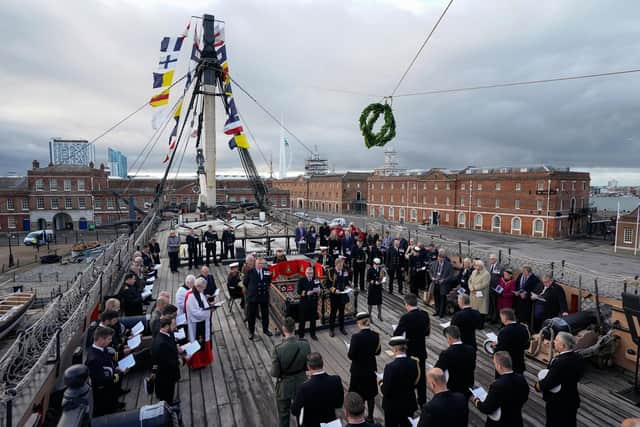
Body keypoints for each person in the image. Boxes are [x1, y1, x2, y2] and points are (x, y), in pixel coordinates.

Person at [535, 332, 584, 427]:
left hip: (558, 403)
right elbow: (579, 375)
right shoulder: (578, 357)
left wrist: (538, 386)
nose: (553, 341)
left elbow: (548, 383)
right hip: (572, 399)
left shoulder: (560, 363)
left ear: (563, 346)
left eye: (556, 340)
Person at [270, 317, 311, 427]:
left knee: (284, 415)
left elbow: (274, 373)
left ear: (283, 329)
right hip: (302, 383)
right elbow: (308, 366)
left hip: (284, 386)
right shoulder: (305, 344)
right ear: (295, 328)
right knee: (302, 413)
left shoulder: (278, 349)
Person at [471, 351, 529, 427]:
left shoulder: (497, 385)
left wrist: (476, 400)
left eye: (495, 364)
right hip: (516, 420)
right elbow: (525, 397)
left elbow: (486, 408)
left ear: (499, 366)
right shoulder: (521, 379)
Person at [393, 293, 430, 407]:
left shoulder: (406, 318)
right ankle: (422, 401)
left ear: (406, 304)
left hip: (409, 352)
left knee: (409, 378)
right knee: (422, 378)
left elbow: (396, 334)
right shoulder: (425, 314)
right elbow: (427, 332)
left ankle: (410, 402)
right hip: (421, 351)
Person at [291, 352, 344, 427]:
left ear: (308, 367)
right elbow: (339, 403)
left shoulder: (304, 388)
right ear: (322, 363)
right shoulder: (336, 380)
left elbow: (294, 411)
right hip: (331, 422)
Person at [379, 336, 420, 427]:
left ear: (395, 349)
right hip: (408, 403)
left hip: (392, 406)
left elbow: (386, 391)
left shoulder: (390, 367)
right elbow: (416, 382)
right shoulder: (414, 363)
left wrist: (381, 383)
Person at [348, 312, 381, 423]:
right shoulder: (376, 335)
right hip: (371, 368)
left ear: (359, 323)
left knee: (357, 395)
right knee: (370, 394)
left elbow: (351, 355)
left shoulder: (356, 337)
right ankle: (370, 417)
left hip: (358, 370)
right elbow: (378, 352)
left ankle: (358, 417)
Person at [85, 326, 126, 416]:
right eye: (108, 339)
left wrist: (116, 367)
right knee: (109, 405)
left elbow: (110, 360)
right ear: (100, 339)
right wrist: (119, 374)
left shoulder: (102, 349)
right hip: (104, 389)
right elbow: (102, 381)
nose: (110, 341)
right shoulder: (93, 359)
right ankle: (113, 409)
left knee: (114, 395)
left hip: (111, 379)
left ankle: (115, 404)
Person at [435, 326, 476, 398]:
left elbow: (438, 370)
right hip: (468, 384)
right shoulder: (471, 349)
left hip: (453, 387)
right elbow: (472, 366)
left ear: (449, 338)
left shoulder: (446, 353)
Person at [152, 317, 183, 405]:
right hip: (166, 375)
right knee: (167, 393)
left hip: (168, 372)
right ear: (166, 327)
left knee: (170, 390)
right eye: (173, 325)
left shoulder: (165, 334)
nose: (175, 327)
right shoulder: (162, 344)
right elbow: (167, 362)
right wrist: (181, 361)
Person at [184, 277, 214, 368]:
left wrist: (209, 306)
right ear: (199, 287)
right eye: (203, 288)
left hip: (202, 323)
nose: (203, 290)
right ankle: (197, 363)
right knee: (197, 343)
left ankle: (203, 361)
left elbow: (203, 305)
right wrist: (209, 311)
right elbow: (194, 313)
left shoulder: (199, 293)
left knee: (203, 343)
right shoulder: (191, 296)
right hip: (196, 325)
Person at [493, 308, 530, 376]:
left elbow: (501, 350)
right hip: (519, 362)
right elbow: (527, 345)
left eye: (501, 317)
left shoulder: (504, 331)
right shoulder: (523, 328)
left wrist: (495, 346)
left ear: (504, 318)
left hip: (506, 365)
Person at [244, 257, 273, 340]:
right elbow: (245, 283)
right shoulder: (250, 272)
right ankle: (251, 332)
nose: (260, 265)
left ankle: (265, 329)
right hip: (253, 297)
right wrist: (252, 290)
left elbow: (269, 281)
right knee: (251, 315)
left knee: (265, 314)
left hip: (263, 296)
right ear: (255, 264)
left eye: (261, 263)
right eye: (258, 263)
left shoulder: (267, 271)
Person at [327, 257, 350, 337]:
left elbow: (346, 282)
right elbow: (328, 284)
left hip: (342, 294)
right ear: (336, 264)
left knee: (342, 312)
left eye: (342, 265)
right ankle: (331, 329)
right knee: (333, 313)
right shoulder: (331, 272)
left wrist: (347, 287)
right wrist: (334, 290)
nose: (341, 266)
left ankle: (342, 327)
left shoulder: (344, 271)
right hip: (335, 295)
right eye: (340, 265)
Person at [297, 267, 320, 340]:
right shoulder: (301, 280)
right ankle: (301, 335)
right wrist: (307, 293)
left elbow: (320, 287)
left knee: (313, 319)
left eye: (311, 273)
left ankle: (313, 334)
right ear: (305, 273)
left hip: (313, 302)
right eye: (309, 273)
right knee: (302, 320)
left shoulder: (316, 279)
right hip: (304, 302)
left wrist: (319, 291)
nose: (310, 275)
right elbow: (299, 291)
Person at [430, 249, 454, 318]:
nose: (440, 259)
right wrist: (432, 278)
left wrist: (444, 280)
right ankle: (437, 311)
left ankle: (441, 313)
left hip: (443, 285)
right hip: (435, 283)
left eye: (442, 257)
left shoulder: (449, 265)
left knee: (442, 299)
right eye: (439, 257)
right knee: (436, 298)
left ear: (444, 258)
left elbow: (451, 276)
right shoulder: (434, 263)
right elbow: (430, 272)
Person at [486, 254, 504, 323]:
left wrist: (498, 288)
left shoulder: (500, 267)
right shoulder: (489, 265)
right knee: (490, 303)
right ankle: (489, 316)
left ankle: (495, 318)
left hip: (495, 288)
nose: (490, 260)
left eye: (492, 259)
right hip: (489, 287)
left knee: (495, 304)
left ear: (495, 259)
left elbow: (501, 278)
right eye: (490, 259)